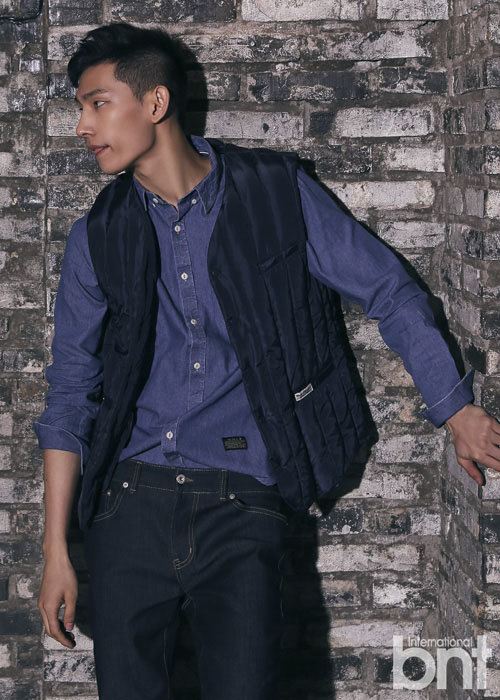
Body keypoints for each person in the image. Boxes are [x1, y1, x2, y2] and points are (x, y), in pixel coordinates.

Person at [35, 21, 500, 700]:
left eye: (97, 103)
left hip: (244, 499)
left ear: (155, 102)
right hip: (129, 504)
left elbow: (387, 289)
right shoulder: (96, 236)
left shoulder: (275, 193)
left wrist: (454, 408)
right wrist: (55, 551)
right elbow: (70, 393)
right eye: (81, 107)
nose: (82, 126)